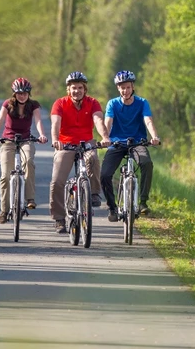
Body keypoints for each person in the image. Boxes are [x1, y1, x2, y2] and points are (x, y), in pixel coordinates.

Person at [49, 71, 110, 234]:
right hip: (66, 144)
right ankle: (59, 218)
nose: (77, 91)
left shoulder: (93, 103)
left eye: (80, 88)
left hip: (86, 142)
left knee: (93, 159)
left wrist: (104, 137)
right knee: (57, 181)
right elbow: (55, 123)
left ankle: (94, 193)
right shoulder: (60, 103)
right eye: (74, 88)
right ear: (68, 89)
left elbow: (98, 120)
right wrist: (55, 140)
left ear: (85, 89)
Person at [100, 70, 161, 222]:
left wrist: (154, 137)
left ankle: (143, 202)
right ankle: (112, 207)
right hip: (116, 143)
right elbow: (108, 122)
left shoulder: (142, 102)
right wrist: (105, 138)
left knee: (146, 163)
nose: (125, 90)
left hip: (137, 142)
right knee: (105, 175)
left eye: (128, 87)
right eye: (122, 87)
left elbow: (148, 120)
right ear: (118, 88)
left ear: (133, 87)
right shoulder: (113, 104)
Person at [0, 77, 48, 224]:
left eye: (25, 93)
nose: (22, 96)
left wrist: (42, 134)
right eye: (19, 93)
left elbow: (38, 121)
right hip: (8, 141)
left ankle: (30, 198)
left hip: (26, 140)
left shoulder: (33, 105)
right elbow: (0, 121)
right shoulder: (7, 104)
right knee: (5, 176)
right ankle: (4, 210)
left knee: (28, 161)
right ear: (14, 94)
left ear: (29, 93)